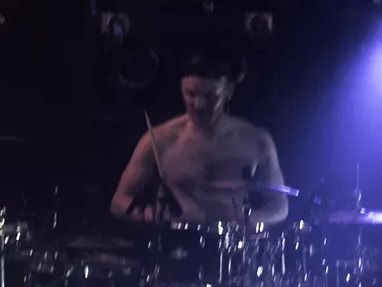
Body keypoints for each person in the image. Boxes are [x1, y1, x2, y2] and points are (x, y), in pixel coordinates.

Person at [110, 52, 288, 226]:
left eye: (209, 96)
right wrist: (153, 216)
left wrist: (251, 219)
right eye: (190, 94)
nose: (198, 104)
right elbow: (119, 202)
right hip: (175, 240)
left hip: (231, 240)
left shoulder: (257, 140)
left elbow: (280, 207)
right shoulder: (160, 139)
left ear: (228, 91)